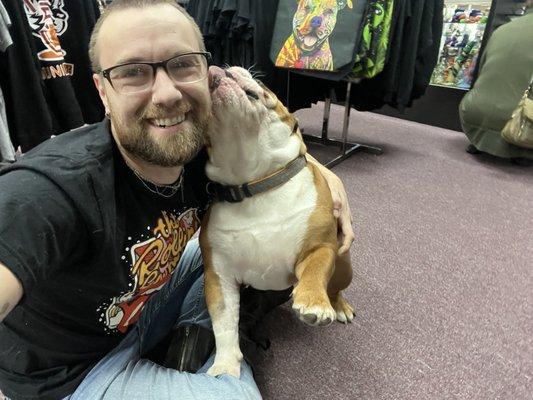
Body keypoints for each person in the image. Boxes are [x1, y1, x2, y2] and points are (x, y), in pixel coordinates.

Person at [0, 1, 355, 399]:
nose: (167, 94)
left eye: (183, 64)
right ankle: (199, 345)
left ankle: (195, 337)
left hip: (142, 303)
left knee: (273, 248)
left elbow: (276, 141)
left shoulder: (201, 142)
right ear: (102, 91)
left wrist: (326, 174)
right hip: (70, 376)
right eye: (133, 72)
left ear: (205, 71)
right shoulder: (49, 189)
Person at [459, 0, 533, 164]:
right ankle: (520, 150)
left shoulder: (502, 30)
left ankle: (483, 141)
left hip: (472, 113)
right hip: (517, 123)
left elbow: (479, 72)